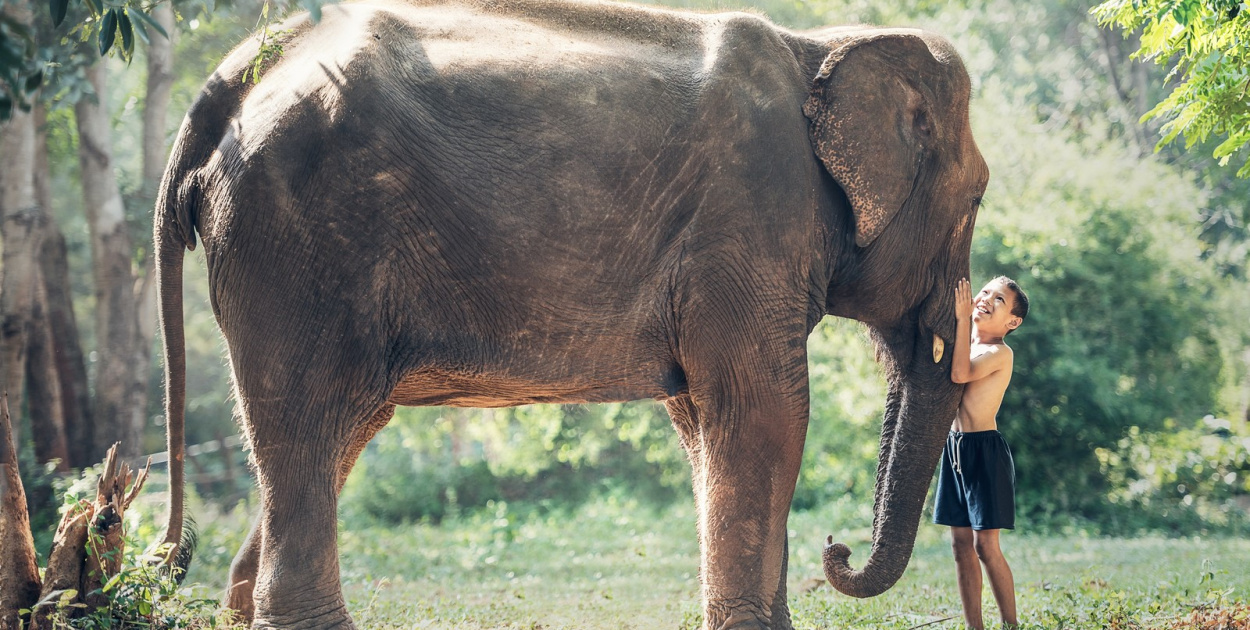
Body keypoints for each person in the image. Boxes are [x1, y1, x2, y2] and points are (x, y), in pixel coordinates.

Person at [934, 276, 1029, 630]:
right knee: (960, 545)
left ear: (1012, 322)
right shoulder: (966, 342)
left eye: (999, 299)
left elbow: (960, 373)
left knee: (985, 546)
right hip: (954, 448)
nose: (986, 299)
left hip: (984, 452)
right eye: (985, 291)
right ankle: (975, 627)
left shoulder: (999, 352)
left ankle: (1010, 624)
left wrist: (961, 318)